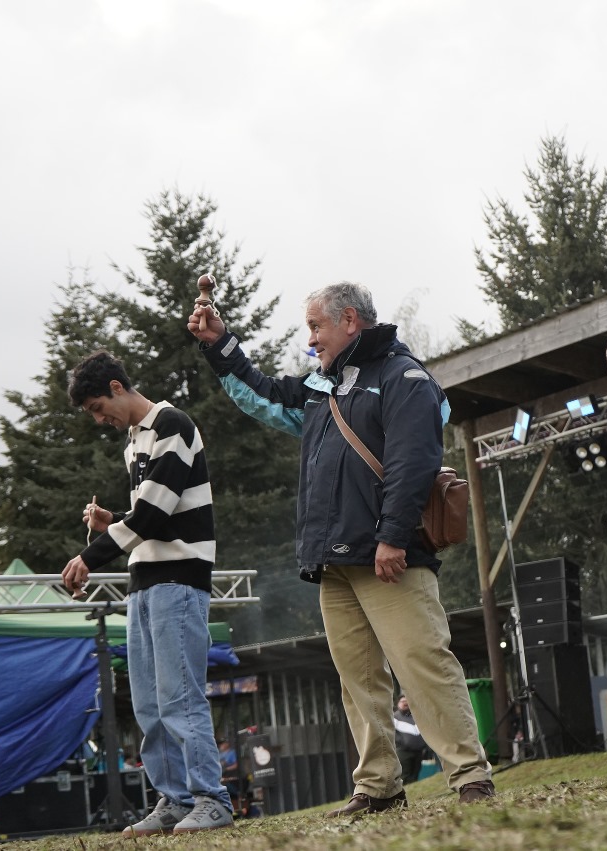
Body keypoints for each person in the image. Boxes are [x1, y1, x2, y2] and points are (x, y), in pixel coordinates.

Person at [188, 281, 495, 813]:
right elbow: (264, 394)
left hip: (390, 555)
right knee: (357, 680)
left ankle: (471, 777)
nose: (311, 341)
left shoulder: (406, 378)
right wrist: (221, 345)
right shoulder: (321, 387)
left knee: (424, 663)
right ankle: (378, 787)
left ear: (350, 320)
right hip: (333, 558)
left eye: (315, 327)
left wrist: (393, 537)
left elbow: (415, 463)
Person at [60, 351, 233, 835]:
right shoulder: (135, 441)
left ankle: (211, 799)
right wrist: (112, 522)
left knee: (181, 696)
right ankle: (174, 800)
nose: (100, 419)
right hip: (145, 581)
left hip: (179, 581)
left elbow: (155, 518)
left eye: (98, 407)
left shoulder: (172, 424)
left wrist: (90, 554)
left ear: (117, 387)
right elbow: (153, 519)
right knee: (149, 703)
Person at [393, 694, 429, 784]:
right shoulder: (394, 718)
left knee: (415, 775)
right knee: (405, 775)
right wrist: (402, 743)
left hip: (418, 752)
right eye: (402, 702)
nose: (405, 703)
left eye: (407, 701)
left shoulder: (416, 716)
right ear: (398, 704)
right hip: (403, 752)